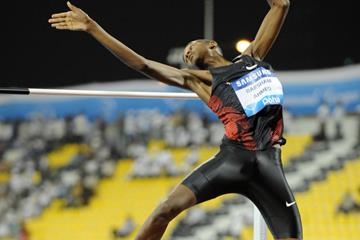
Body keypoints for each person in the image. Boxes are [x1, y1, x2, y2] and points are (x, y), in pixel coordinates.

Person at [48, 0, 302, 239]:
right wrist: (92, 27)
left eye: (191, 46)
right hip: (233, 159)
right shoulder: (198, 80)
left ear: (212, 44)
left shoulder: (252, 57)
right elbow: (143, 64)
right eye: (185, 54)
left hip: (269, 162)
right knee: (164, 210)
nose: (186, 52)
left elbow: (281, 4)